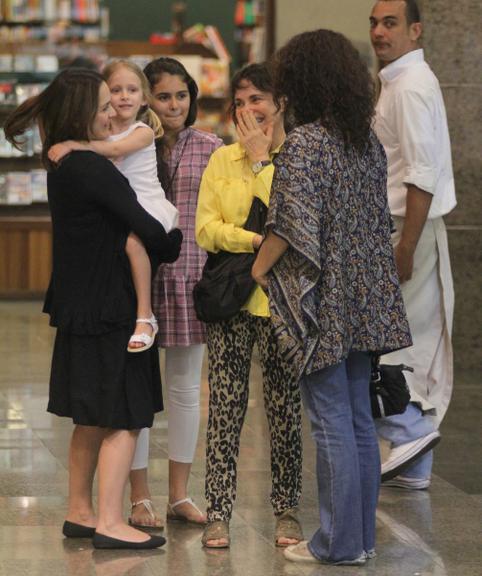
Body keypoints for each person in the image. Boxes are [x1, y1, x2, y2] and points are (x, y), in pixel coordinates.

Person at [4, 68, 182, 549]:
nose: (114, 113)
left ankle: (80, 511)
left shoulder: (63, 165)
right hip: (112, 306)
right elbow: (148, 231)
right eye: (104, 106)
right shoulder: (93, 168)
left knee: (89, 416)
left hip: (80, 303)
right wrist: (174, 238)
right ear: (83, 112)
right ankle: (109, 520)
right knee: (124, 415)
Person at [252, 30, 412, 565]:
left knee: (329, 424)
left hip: (320, 303)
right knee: (359, 420)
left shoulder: (305, 143)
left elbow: (289, 226)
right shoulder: (364, 141)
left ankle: (337, 544)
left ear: (300, 80)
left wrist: (256, 268)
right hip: (364, 300)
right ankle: (359, 540)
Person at [195, 63, 303, 549]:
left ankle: (287, 511)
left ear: (280, 103)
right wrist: (252, 239)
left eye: (257, 99)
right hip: (232, 298)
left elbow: (294, 220)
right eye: (239, 103)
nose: (247, 111)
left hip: (283, 303)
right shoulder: (222, 160)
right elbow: (205, 229)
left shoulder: (297, 158)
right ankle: (217, 511)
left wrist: (263, 162)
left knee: (284, 409)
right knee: (225, 406)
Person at [127, 57, 223, 528]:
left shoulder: (210, 146)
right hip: (137, 281)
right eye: (163, 96)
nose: (174, 105)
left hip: (191, 279)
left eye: (181, 95)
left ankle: (180, 495)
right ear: (147, 97)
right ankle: (139, 495)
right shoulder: (128, 142)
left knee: (186, 390)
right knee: (138, 391)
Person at [369, 0, 456, 489]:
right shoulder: (397, 82)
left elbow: (421, 175)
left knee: (400, 346)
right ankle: (414, 459)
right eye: (375, 23)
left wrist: (406, 247)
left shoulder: (412, 87)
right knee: (400, 344)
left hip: (408, 229)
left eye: (391, 23)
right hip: (398, 228)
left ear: (416, 29)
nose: (379, 32)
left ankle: (411, 436)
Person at [48, 60, 179, 356]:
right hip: (127, 205)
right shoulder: (102, 134)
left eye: (132, 90)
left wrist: (75, 144)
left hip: (149, 204)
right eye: (116, 91)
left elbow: (116, 151)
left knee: (133, 243)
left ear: (144, 97)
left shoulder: (141, 131)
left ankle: (145, 316)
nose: (123, 97)